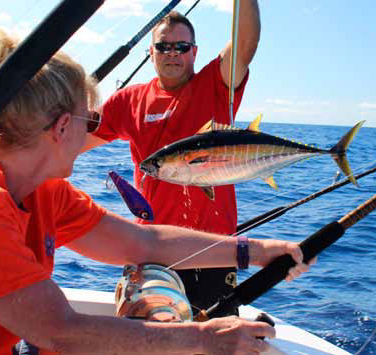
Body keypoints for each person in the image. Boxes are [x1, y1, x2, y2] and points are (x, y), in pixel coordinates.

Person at [0, 28, 313, 355]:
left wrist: (256, 251)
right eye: (89, 122)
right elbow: (60, 330)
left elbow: (141, 241)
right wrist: (206, 339)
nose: (94, 133)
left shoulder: (42, 190)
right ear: (60, 129)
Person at [82, 1, 262, 315]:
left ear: (194, 52)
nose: (172, 53)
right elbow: (71, 143)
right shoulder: (128, 101)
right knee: (151, 339)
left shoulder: (214, 86)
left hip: (213, 249)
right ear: (150, 53)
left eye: (181, 46)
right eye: (163, 47)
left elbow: (246, 42)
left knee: (214, 339)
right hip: (152, 248)